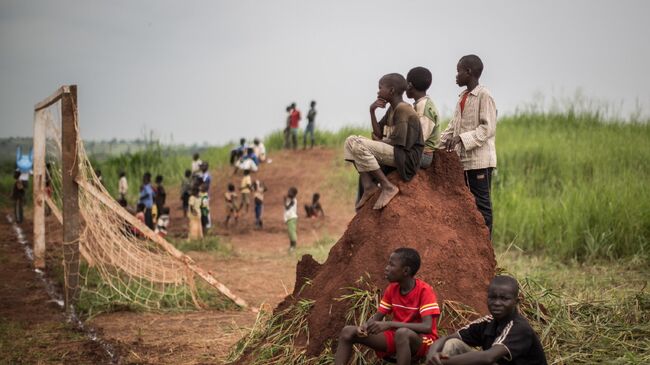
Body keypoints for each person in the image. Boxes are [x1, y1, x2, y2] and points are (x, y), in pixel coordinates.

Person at [335, 248, 441, 365]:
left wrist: (390, 324)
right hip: (398, 337)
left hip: (423, 341)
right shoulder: (392, 288)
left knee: (402, 333)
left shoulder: (424, 291)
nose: (386, 268)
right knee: (348, 331)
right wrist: (365, 326)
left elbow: (427, 327)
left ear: (405, 271)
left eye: (391, 265)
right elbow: (378, 316)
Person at [344, 73, 424, 210]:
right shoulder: (393, 109)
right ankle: (368, 186)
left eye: (380, 87)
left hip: (406, 158)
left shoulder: (403, 109)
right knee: (349, 142)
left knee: (356, 143)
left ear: (391, 90)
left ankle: (388, 186)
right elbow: (378, 133)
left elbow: (399, 141)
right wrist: (372, 111)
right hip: (396, 152)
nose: (378, 91)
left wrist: (381, 141)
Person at [425, 276, 547, 365]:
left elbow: (488, 358)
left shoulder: (519, 327)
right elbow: (446, 338)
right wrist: (432, 357)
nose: (497, 303)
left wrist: (443, 362)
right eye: (492, 298)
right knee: (452, 344)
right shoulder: (487, 322)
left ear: (516, 302)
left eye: (504, 299)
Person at [439, 55, 497, 236]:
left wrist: (461, 139)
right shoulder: (463, 97)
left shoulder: (484, 95)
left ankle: (485, 246)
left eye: (458, 72)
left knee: (482, 204)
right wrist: (432, 144)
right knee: (467, 203)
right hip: (464, 161)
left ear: (469, 72)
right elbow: (452, 128)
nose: (456, 76)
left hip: (479, 161)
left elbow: (487, 128)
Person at [406, 67, 440, 169]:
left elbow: (419, 138)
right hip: (417, 153)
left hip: (423, 156)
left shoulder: (424, 109)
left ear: (410, 85)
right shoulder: (420, 104)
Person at [284, 187, 298, 251]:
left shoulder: (293, 200)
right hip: (289, 218)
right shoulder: (289, 199)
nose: (288, 193)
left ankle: (293, 246)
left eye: (290, 192)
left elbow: (287, 208)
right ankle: (291, 246)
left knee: (292, 232)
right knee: (290, 232)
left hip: (291, 218)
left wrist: (284, 201)